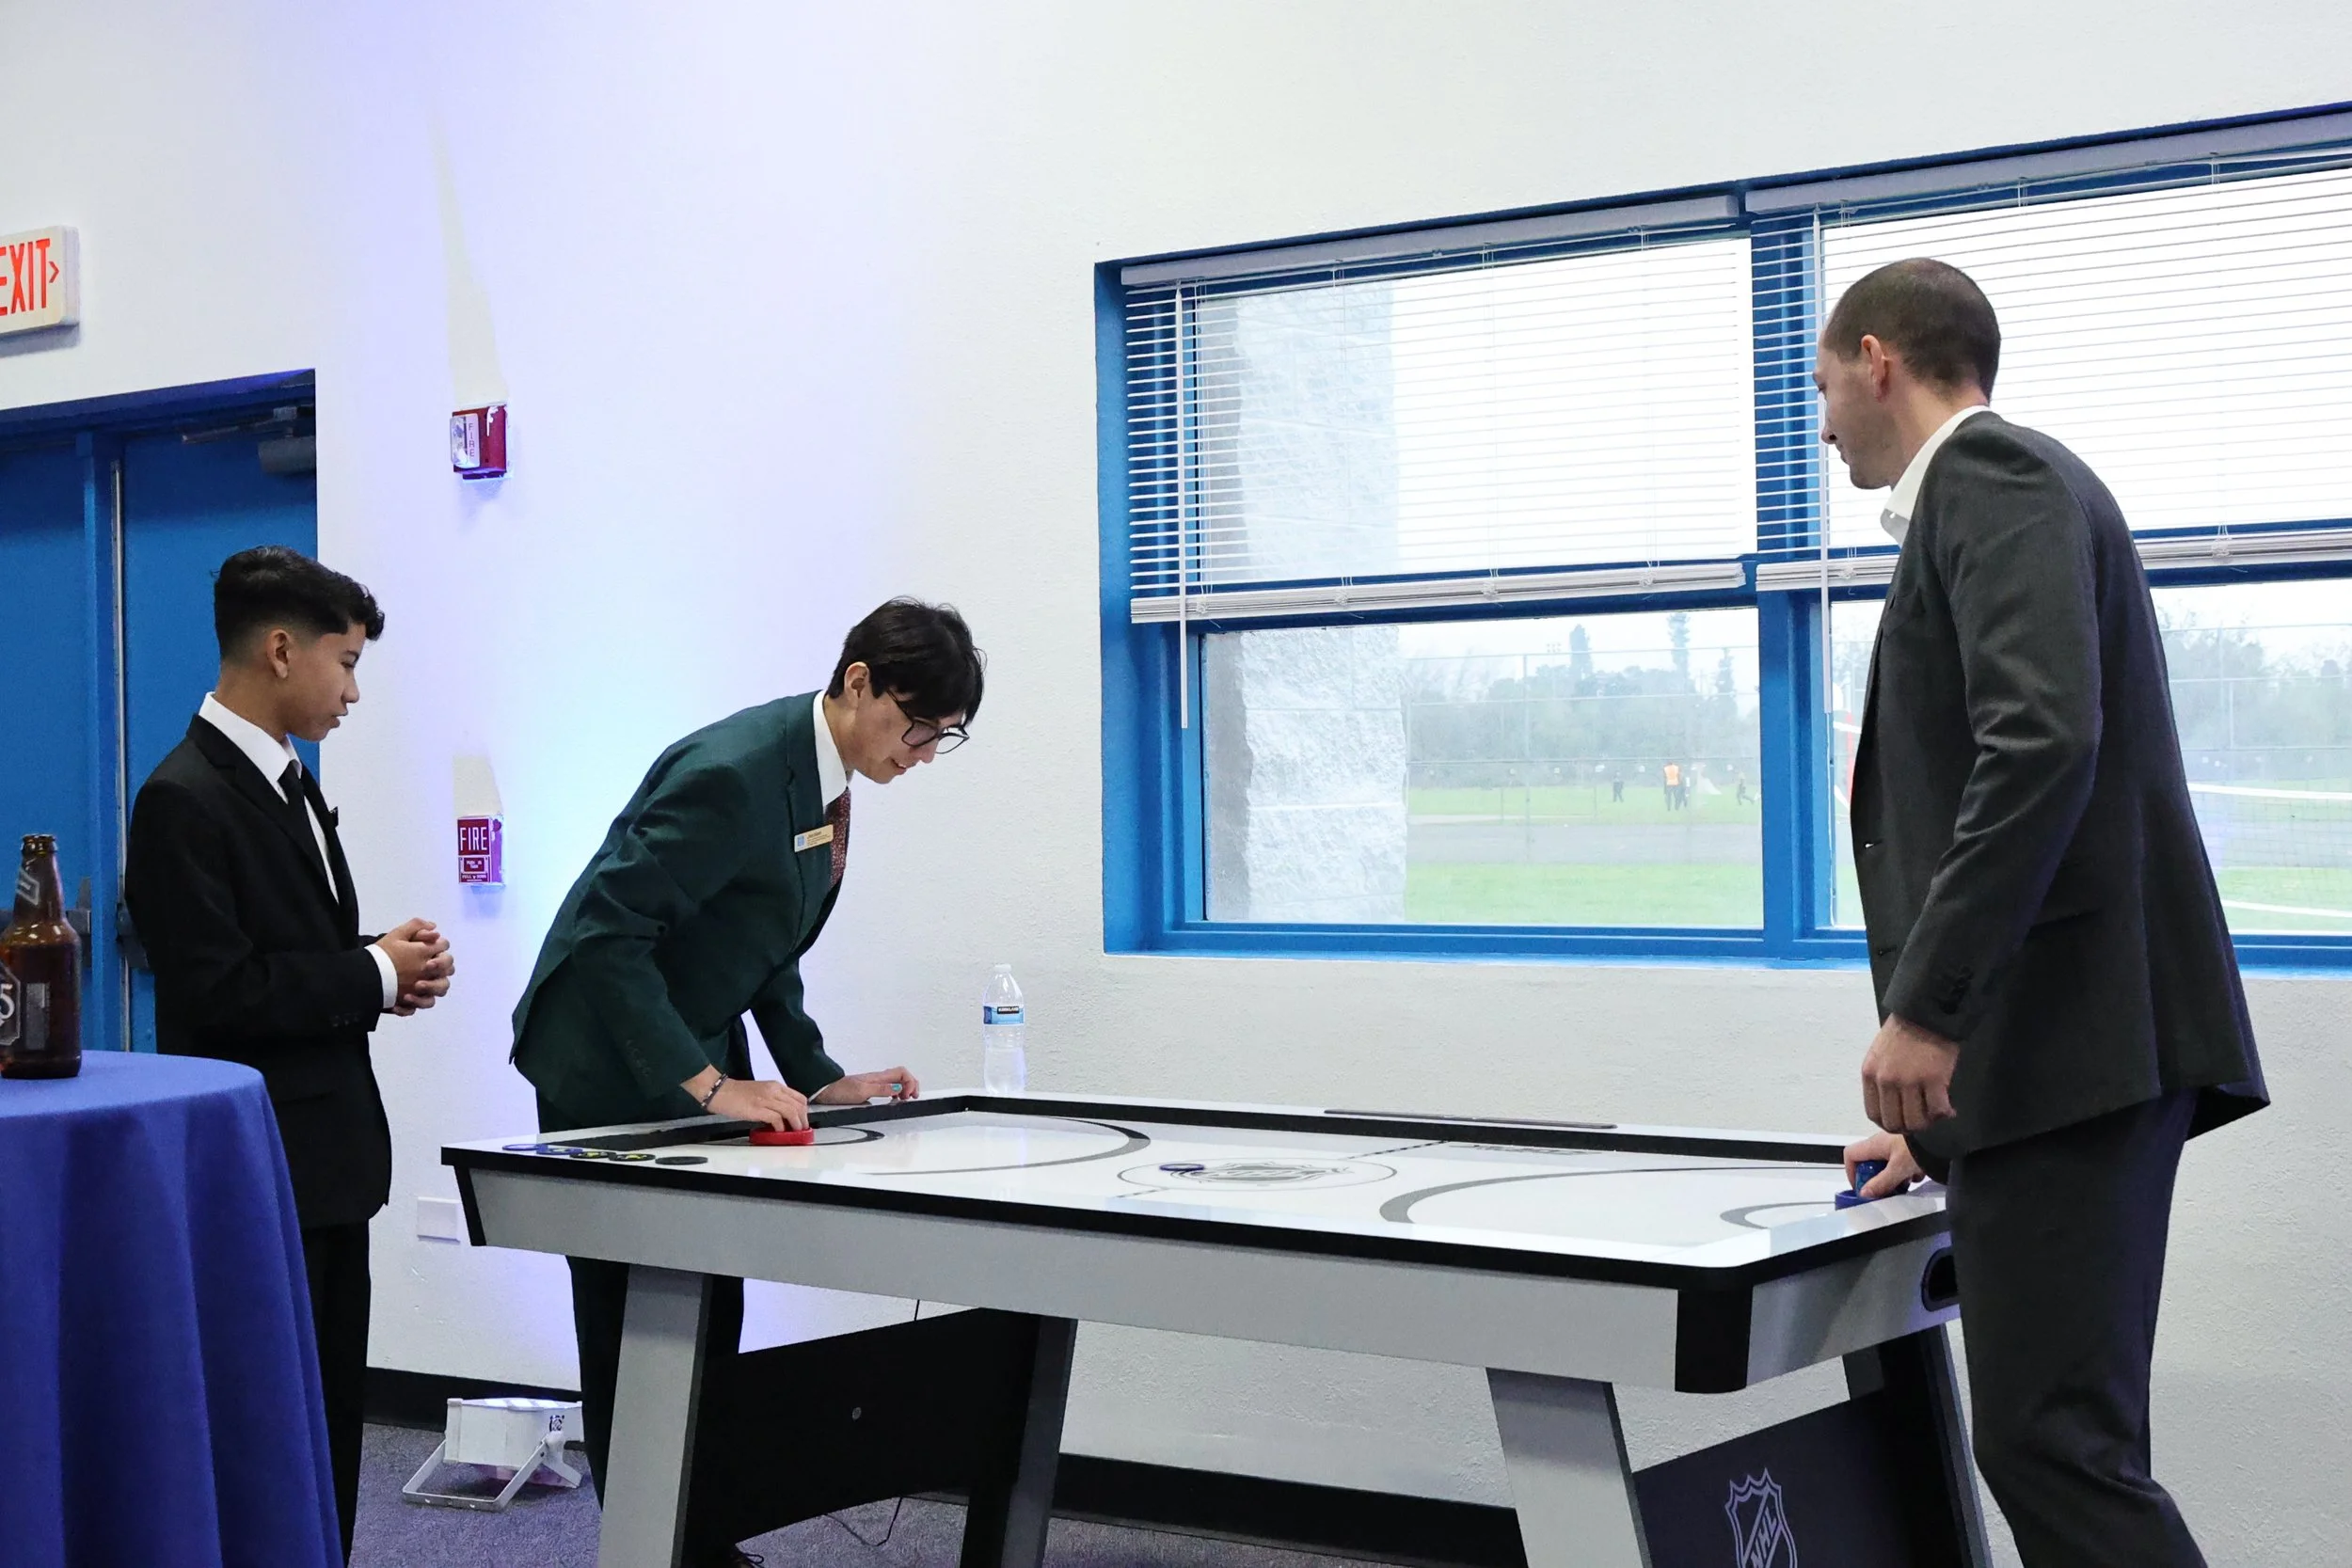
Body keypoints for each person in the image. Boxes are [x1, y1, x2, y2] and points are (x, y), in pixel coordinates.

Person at [1820, 260, 2265, 1568]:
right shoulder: (1994, 493)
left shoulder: (1991, 477)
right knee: (2052, 1440)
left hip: (2078, 1052)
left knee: (2053, 1446)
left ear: (1879, 360)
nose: (1822, 422)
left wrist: (1927, 1010)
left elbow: (2039, 744)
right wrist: (1947, 1125)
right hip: (2050, 1066)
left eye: (1823, 385)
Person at [510, 596, 979, 1568]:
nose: (926, 754)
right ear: (859, 682)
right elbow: (607, 935)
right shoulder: (733, 773)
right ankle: (647, 1543)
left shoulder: (825, 780)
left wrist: (821, 1077)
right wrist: (709, 1083)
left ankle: (694, 1531)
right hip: (606, 1061)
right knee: (635, 1314)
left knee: (708, 1302)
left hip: (686, 1043)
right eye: (919, 727)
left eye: (945, 736)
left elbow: (762, 942)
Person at [124, 546, 455, 1562]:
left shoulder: (289, 779)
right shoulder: (182, 796)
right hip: (256, 1162)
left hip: (329, 1162)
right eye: (344, 663)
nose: (353, 691)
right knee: (268, 1431)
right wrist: (370, 974)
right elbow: (217, 991)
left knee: (329, 1424)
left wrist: (377, 965)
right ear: (279, 649)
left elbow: (285, 950)